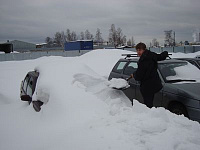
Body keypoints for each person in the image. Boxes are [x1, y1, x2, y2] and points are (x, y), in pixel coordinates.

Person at [131, 42, 168, 108]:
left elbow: (139, 75)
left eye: (140, 50)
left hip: (147, 86)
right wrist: (165, 53)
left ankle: (148, 116)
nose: (138, 52)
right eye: (137, 50)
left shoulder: (142, 61)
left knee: (147, 104)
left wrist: (134, 75)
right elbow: (160, 57)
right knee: (149, 102)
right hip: (154, 84)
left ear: (144, 50)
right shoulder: (152, 55)